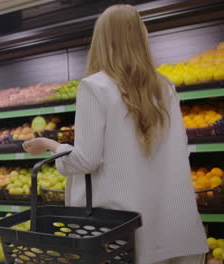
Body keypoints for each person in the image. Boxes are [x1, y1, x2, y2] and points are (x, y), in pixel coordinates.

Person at [22, 4, 208, 264]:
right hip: (172, 228)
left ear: (101, 40)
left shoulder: (95, 86)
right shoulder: (165, 86)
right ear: (141, 37)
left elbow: (86, 161)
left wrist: (50, 145)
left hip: (122, 231)